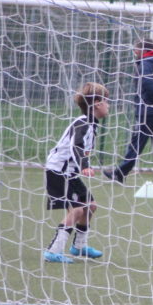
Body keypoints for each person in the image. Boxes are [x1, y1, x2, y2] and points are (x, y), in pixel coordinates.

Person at [43, 82, 110, 263]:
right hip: (59, 171)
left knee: (90, 206)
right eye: (106, 101)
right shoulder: (84, 123)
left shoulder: (91, 124)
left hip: (69, 172)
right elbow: (76, 145)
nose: (108, 105)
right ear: (97, 103)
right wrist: (84, 165)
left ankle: (79, 247)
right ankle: (53, 251)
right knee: (78, 210)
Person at [105, 40, 153, 188]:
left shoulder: (146, 63)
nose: (134, 53)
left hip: (148, 111)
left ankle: (120, 174)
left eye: (136, 50)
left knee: (136, 143)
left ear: (143, 51)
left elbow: (148, 83)